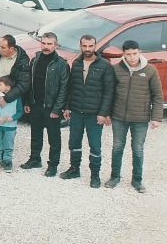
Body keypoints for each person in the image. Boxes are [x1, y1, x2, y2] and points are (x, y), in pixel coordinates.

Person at [106, 40, 163, 193]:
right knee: (117, 147)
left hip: (140, 118)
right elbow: (109, 93)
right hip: (119, 117)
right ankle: (114, 177)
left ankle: (137, 181)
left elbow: (157, 96)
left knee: (137, 149)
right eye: (128, 54)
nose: (131, 57)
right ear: (123, 54)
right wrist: (107, 114)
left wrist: (156, 117)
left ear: (140, 52)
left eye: (134, 54)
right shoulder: (116, 69)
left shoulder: (150, 70)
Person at [61, 35, 114, 187]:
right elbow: (71, 88)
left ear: (95, 46)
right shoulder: (76, 63)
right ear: (80, 46)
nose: (87, 49)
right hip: (77, 110)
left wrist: (103, 113)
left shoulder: (105, 65)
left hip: (94, 113)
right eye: (84, 46)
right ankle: (74, 169)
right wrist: (68, 106)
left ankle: (95, 176)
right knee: (74, 141)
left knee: (95, 145)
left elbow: (108, 92)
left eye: (90, 46)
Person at [20, 32, 70, 177]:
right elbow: (30, 82)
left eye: (49, 44)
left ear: (56, 45)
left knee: (54, 138)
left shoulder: (61, 64)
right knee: (35, 134)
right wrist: (28, 101)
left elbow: (64, 89)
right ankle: (35, 159)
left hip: (51, 107)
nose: (46, 47)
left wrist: (57, 109)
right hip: (36, 105)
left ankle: (53, 165)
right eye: (44, 43)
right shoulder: (35, 60)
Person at [0, 34, 31, 164]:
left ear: (12, 48)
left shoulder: (22, 61)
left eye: (3, 47)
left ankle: (5, 156)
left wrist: (7, 98)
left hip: (11, 99)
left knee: (8, 128)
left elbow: (24, 84)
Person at [0, 76, 24, 172]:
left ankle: (7, 161)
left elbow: (20, 111)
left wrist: (13, 118)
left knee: (8, 144)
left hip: (10, 126)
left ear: (8, 87)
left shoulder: (17, 98)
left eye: (0, 84)